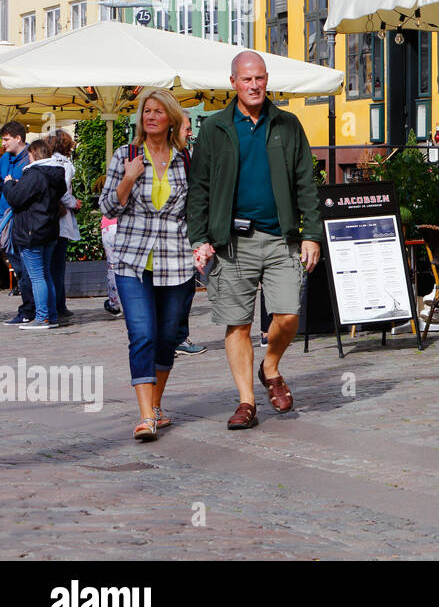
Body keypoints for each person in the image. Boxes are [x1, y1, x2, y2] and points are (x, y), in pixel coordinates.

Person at [189, 51, 322, 431]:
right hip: (231, 242)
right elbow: (199, 189)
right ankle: (246, 401)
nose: (254, 85)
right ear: (233, 82)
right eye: (246, 79)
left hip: (281, 239)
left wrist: (311, 234)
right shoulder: (215, 129)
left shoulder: (287, 124)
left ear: (267, 80)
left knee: (288, 314)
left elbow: (305, 184)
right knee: (237, 324)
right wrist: (200, 238)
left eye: (260, 78)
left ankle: (271, 366)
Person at [99, 89, 195, 440]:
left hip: (176, 259)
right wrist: (128, 177)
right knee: (142, 334)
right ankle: (146, 416)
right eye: (146, 112)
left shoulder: (185, 158)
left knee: (168, 337)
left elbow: (196, 208)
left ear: (170, 118)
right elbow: (107, 208)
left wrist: (202, 246)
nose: (150, 117)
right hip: (133, 260)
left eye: (158, 112)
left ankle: (155, 407)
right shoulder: (126, 155)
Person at [4, 138, 67, 332]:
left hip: (32, 230)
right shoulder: (56, 173)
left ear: (34, 154)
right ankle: (52, 315)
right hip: (49, 230)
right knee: (46, 275)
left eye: (29, 155)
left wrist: (9, 184)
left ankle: (42, 317)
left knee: (37, 277)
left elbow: (16, 198)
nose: (28, 158)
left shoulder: (35, 173)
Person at [172, 115, 206, 356]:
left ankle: (177, 337)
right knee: (180, 289)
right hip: (172, 236)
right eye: (187, 128)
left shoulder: (185, 155)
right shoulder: (169, 157)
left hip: (185, 230)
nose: (190, 133)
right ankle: (174, 338)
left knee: (185, 289)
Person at [0, 123, 35, 326]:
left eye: (6, 139)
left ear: (18, 138)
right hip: (6, 218)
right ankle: (29, 307)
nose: (3, 143)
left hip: (23, 219)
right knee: (19, 266)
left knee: (28, 268)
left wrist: (12, 185)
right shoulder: (5, 159)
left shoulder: (31, 157)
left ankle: (31, 309)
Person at [46, 130, 81, 325]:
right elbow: (64, 191)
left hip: (44, 219)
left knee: (48, 266)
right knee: (57, 266)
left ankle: (53, 305)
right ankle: (59, 305)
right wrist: (75, 203)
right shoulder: (65, 165)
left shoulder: (42, 161)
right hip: (60, 218)